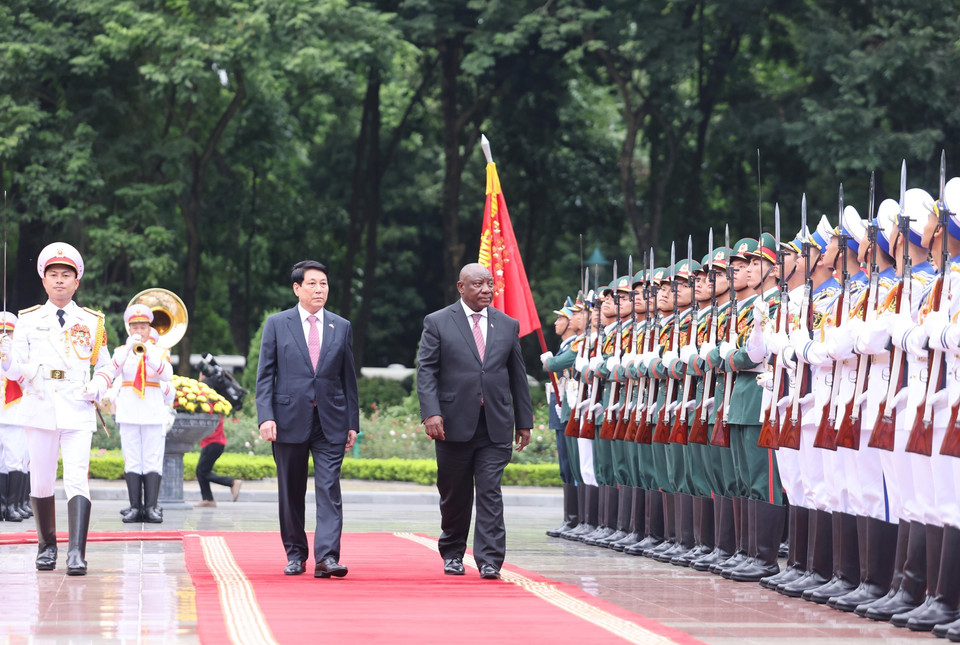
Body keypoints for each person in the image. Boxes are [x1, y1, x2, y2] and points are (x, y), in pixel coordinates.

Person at [416, 263, 533, 579]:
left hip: (495, 423)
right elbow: (426, 370)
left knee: (490, 491)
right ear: (461, 287)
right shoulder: (438, 322)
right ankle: (453, 553)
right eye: (478, 284)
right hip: (452, 424)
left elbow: (517, 376)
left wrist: (525, 421)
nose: (486, 290)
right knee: (455, 494)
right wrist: (431, 412)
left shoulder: (507, 325)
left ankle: (490, 560)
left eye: (490, 284)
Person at [2, 242, 112, 575]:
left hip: (77, 406)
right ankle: (47, 546)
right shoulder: (28, 319)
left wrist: (97, 387)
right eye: (54, 275)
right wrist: (7, 360)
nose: (60, 280)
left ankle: (76, 552)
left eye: (67, 275)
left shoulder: (92, 321)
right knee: (42, 480)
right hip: (40, 405)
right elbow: (17, 371)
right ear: (44, 280)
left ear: (77, 281)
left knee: (78, 478)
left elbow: (106, 366)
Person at [256, 260, 359, 578]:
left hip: (331, 420)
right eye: (312, 283)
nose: (319, 289)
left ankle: (327, 557)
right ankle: (295, 554)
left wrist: (352, 422)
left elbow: (348, 379)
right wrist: (265, 417)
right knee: (291, 490)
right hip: (288, 419)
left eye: (324, 283)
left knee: (329, 489)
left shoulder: (340, 326)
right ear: (297, 288)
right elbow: (265, 375)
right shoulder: (277, 324)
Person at [106, 304, 173, 523]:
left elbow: (167, 376)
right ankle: (135, 507)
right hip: (129, 411)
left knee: (153, 459)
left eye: (143, 327)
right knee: (132, 459)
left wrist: (148, 355)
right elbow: (112, 372)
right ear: (129, 328)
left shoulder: (160, 351)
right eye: (134, 326)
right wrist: (128, 351)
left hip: (153, 412)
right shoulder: (120, 351)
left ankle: (151, 507)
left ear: (149, 328)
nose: (138, 331)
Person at [195, 408, 242, 507]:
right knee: (200, 471)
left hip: (214, 443)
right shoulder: (212, 408)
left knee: (203, 472)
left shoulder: (211, 409)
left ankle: (232, 482)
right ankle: (208, 499)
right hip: (211, 443)